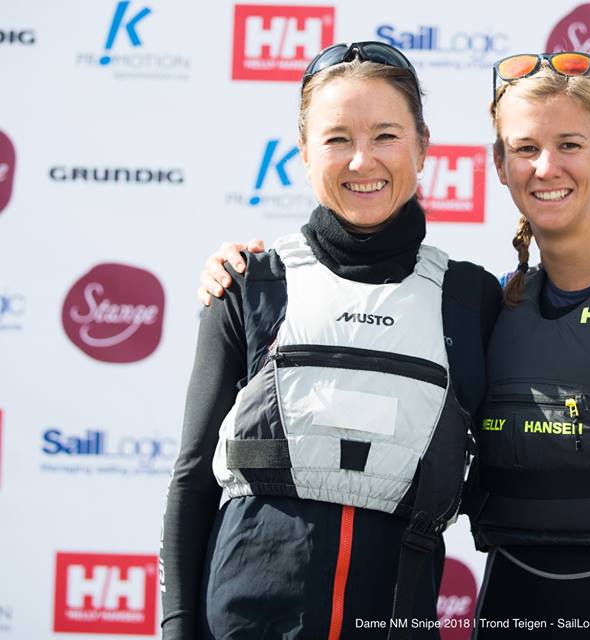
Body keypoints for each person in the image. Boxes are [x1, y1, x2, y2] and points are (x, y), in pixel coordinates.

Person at [201, 51, 590, 639]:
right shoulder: (495, 307)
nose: (546, 167)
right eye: (525, 148)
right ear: (499, 165)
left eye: (569, 145)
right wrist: (236, 272)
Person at [161, 41, 501, 640]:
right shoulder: (247, 285)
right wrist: (176, 629)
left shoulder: (473, 301)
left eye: (386, 136)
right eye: (337, 138)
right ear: (303, 152)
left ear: (423, 145)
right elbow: (192, 482)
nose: (361, 160)